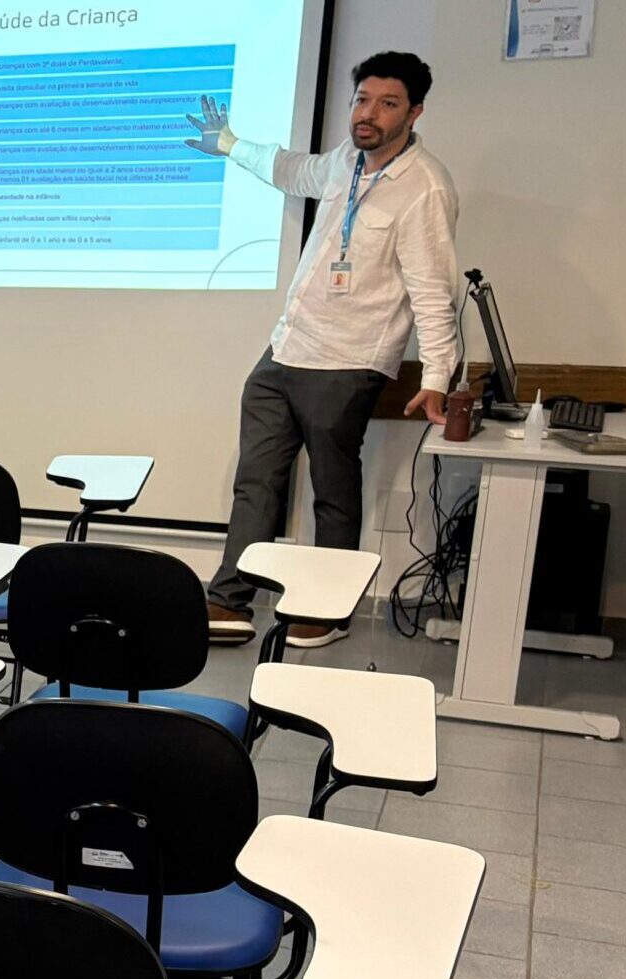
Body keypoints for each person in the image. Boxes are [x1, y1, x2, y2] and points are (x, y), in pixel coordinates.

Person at [186, 50, 459, 648]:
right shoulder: (345, 161)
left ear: (414, 112)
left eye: (387, 104)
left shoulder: (424, 188)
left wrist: (437, 377)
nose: (368, 114)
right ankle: (229, 601)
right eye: (362, 100)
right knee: (256, 481)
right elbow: (293, 170)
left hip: (349, 360)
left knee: (332, 491)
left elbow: (434, 293)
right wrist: (231, 145)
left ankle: (327, 610)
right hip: (285, 349)